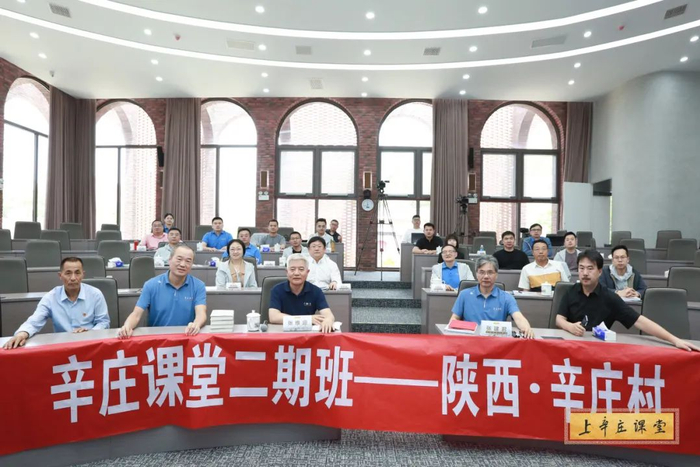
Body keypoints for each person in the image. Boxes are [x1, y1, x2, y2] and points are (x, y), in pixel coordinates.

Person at [557, 250, 698, 351]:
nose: (585, 273)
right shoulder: (571, 291)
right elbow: (559, 319)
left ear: (600, 271)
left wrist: (674, 340)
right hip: (570, 346)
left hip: (596, 350)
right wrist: (569, 326)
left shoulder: (610, 297)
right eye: (581, 268)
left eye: (590, 268)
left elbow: (640, 321)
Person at [3, 257, 110, 349]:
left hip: (90, 344)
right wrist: (22, 333)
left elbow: (104, 322)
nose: (73, 278)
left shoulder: (95, 294)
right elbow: (34, 321)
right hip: (62, 347)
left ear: (83, 275)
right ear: (60, 275)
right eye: (68, 273)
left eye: (77, 273)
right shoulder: (51, 297)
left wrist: (91, 332)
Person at [118, 245, 207, 338]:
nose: (182, 264)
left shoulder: (198, 286)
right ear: (169, 260)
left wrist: (196, 324)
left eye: (188, 261)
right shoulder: (151, 285)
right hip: (157, 339)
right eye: (179, 259)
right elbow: (136, 314)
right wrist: (127, 326)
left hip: (186, 337)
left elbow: (201, 313)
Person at [450, 255, 535, 338]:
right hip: (470, 340)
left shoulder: (507, 297)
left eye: (490, 272)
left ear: (496, 275)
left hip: (496, 342)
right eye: (482, 272)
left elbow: (519, 318)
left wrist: (526, 328)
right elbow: (454, 319)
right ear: (476, 274)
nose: (486, 276)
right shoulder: (464, 295)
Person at [269, 253, 335, 333]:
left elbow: (328, 315)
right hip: (282, 334)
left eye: (301, 269)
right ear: (287, 272)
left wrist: (328, 320)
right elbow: (273, 317)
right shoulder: (277, 290)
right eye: (292, 269)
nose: (296, 273)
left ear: (307, 272)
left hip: (307, 335)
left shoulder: (316, 291)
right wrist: (307, 319)